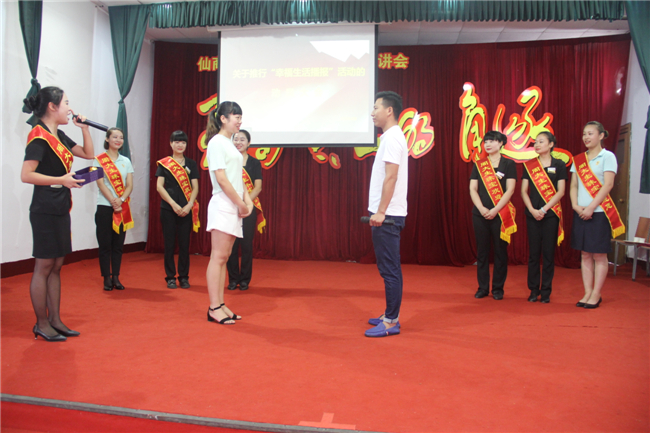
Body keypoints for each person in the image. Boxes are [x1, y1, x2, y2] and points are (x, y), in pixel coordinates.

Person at [21, 86, 95, 341]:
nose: (69, 108)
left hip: (61, 205)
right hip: (44, 208)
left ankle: (55, 320)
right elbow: (26, 175)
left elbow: (88, 154)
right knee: (44, 265)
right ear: (52, 107)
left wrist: (84, 128)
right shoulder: (38, 136)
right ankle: (41, 323)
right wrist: (61, 179)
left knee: (57, 265)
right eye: (66, 103)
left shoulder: (59, 134)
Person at [205, 102, 253, 325]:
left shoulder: (229, 143)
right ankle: (214, 307)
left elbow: (237, 177)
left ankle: (221, 304)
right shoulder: (216, 142)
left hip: (233, 203)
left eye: (241, 117)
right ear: (223, 118)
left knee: (224, 257)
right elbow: (222, 179)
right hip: (224, 203)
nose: (239, 121)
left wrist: (247, 201)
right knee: (218, 257)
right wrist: (241, 204)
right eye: (236, 117)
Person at [365, 91, 408, 338]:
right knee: (387, 268)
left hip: (388, 215)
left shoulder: (392, 138)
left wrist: (381, 211)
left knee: (390, 270)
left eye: (376, 108)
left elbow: (391, 177)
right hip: (387, 213)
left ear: (389, 110)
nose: (372, 113)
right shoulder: (391, 136)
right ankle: (389, 314)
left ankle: (391, 321)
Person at [570, 121, 625, 309]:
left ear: (601, 135)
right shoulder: (578, 159)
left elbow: (608, 185)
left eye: (590, 133)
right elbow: (574, 186)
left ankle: (596, 293)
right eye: (584, 133)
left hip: (599, 213)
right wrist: (575, 206)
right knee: (585, 254)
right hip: (580, 212)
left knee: (599, 255)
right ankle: (587, 292)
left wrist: (591, 207)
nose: (586, 137)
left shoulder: (607, 156)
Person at [469, 131, 517, 300]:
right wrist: (481, 208)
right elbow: (473, 189)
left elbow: (510, 189)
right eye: (486, 141)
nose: (488, 144)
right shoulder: (480, 164)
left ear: (501, 143)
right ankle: (482, 288)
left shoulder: (508, 164)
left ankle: (498, 288)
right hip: (480, 214)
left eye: (492, 141)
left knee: (500, 252)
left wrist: (496, 209)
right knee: (482, 252)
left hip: (500, 213)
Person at [521, 132, 567, 303]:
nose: (537, 145)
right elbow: (523, 191)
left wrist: (544, 209)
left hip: (550, 215)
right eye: (535, 142)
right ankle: (533, 290)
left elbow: (561, 191)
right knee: (534, 254)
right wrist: (533, 210)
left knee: (548, 254)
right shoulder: (530, 165)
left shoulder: (559, 164)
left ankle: (546, 291)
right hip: (532, 214)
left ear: (551, 144)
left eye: (541, 141)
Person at [156, 130, 200, 289]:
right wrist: (173, 204)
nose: (180, 145)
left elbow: (195, 187)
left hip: (186, 209)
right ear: (171, 143)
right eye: (176, 142)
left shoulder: (191, 164)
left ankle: (184, 276)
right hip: (168, 209)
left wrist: (189, 205)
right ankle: (170, 277)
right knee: (169, 244)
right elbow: (159, 186)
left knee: (184, 244)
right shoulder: (164, 163)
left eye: (183, 142)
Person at [93, 128, 134, 291]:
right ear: (107, 139)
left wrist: (121, 200)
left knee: (118, 245)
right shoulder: (99, 160)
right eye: (115, 137)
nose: (118, 140)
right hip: (104, 206)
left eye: (121, 137)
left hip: (121, 207)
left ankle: (116, 276)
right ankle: (106, 278)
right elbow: (100, 183)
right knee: (105, 245)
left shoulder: (126, 161)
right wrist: (112, 200)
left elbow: (129, 185)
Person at [227, 129, 264, 291]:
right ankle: (233, 278)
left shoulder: (254, 163)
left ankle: (244, 280)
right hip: (230, 207)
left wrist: (245, 204)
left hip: (248, 209)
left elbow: (258, 187)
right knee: (231, 245)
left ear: (248, 143)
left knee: (246, 245)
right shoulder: (228, 161)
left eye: (242, 139)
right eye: (236, 139)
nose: (238, 142)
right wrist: (236, 203)